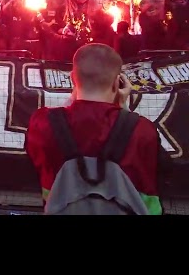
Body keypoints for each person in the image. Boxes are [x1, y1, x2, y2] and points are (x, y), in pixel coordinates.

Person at [25, 43, 170, 215]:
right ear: (118, 83)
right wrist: (123, 108)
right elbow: (160, 171)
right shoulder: (142, 129)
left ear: (73, 79)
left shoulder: (43, 123)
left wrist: (73, 99)